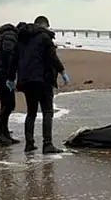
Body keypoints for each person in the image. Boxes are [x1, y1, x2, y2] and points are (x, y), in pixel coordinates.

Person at [8, 16, 70, 154]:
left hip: (26, 81)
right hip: (43, 80)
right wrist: (62, 72)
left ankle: (29, 144)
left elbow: (14, 59)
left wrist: (11, 78)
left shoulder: (21, 38)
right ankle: (47, 144)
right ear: (45, 25)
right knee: (47, 112)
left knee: (31, 112)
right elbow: (52, 57)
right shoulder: (45, 37)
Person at [0, 23, 21, 146]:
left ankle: (4, 133)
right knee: (9, 105)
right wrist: (11, 76)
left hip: (0, 73)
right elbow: (9, 55)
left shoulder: (5, 35)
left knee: (6, 104)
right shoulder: (10, 36)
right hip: (3, 74)